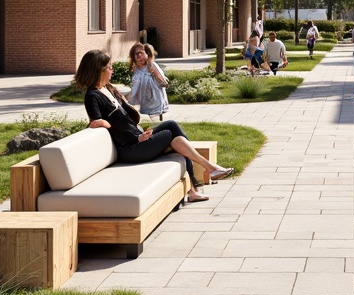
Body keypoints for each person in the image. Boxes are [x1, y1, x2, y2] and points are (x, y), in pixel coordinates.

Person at [76, 50, 235, 200]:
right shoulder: (92, 96)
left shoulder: (107, 89)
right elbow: (97, 123)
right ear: (100, 70)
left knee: (172, 126)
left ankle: (198, 183)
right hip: (129, 149)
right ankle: (207, 171)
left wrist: (138, 132)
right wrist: (131, 136)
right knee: (171, 136)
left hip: (136, 139)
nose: (112, 71)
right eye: (110, 67)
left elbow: (128, 117)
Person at [128, 42, 168, 120]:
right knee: (151, 116)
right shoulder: (137, 71)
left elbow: (162, 79)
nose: (140, 58)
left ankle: (159, 124)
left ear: (147, 54)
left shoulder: (151, 66)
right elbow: (135, 86)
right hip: (145, 98)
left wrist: (161, 79)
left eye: (141, 54)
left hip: (156, 96)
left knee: (156, 115)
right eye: (137, 56)